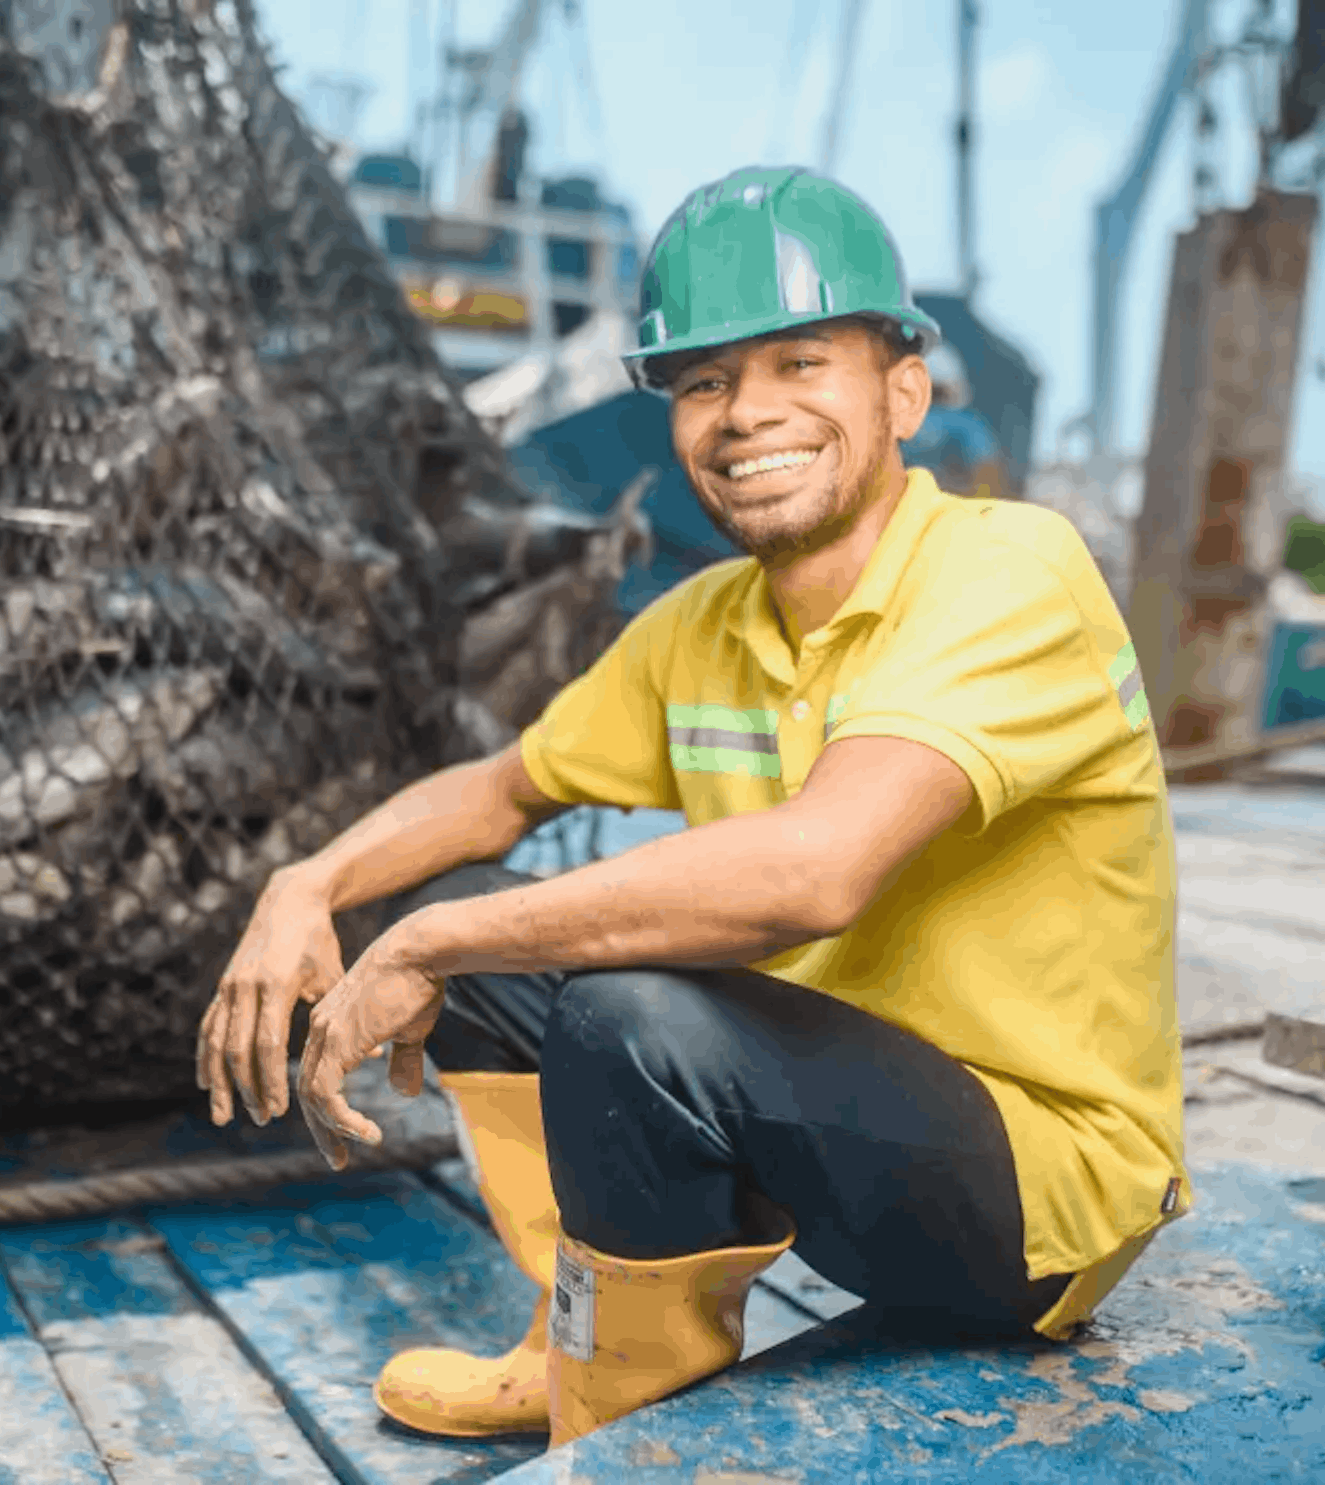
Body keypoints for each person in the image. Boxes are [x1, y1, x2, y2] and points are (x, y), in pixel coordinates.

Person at [195, 165, 1186, 1449]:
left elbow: (812, 875)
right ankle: (584, 1352)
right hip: (825, 1103)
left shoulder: (1008, 571)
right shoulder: (701, 625)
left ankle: (636, 1440)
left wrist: (424, 945)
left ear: (902, 390)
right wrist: (311, 886)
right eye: (705, 380)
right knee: (484, 920)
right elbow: (499, 795)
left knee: (613, 1005)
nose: (745, 413)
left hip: (1035, 1199)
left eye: (799, 362)